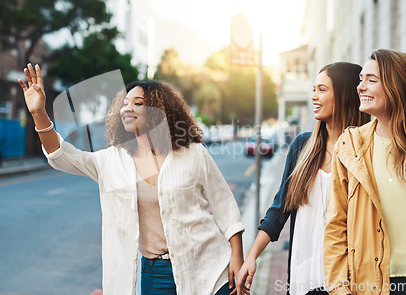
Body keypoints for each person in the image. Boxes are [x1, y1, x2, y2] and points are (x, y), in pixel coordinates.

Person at [18, 63, 245, 295]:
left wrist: (237, 257)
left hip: (208, 265)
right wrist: (39, 114)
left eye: (138, 103)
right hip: (155, 275)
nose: (128, 108)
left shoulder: (193, 154)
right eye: (125, 103)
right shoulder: (111, 161)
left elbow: (225, 205)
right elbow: (62, 156)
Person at [236, 62, 371, 295]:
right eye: (313, 89)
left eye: (322, 90)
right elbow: (279, 208)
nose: (314, 97)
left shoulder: (366, 150)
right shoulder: (302, 146)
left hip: (346, 281)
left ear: (344, 95)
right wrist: (252, 257)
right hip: (302, 278)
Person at [323, 49, 406, 295]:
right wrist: (339, 289)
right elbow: (336, 226)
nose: (361, 87)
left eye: (372, 80)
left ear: (397, 86)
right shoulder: (350, 145)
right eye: (361, 79)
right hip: (372, 283)